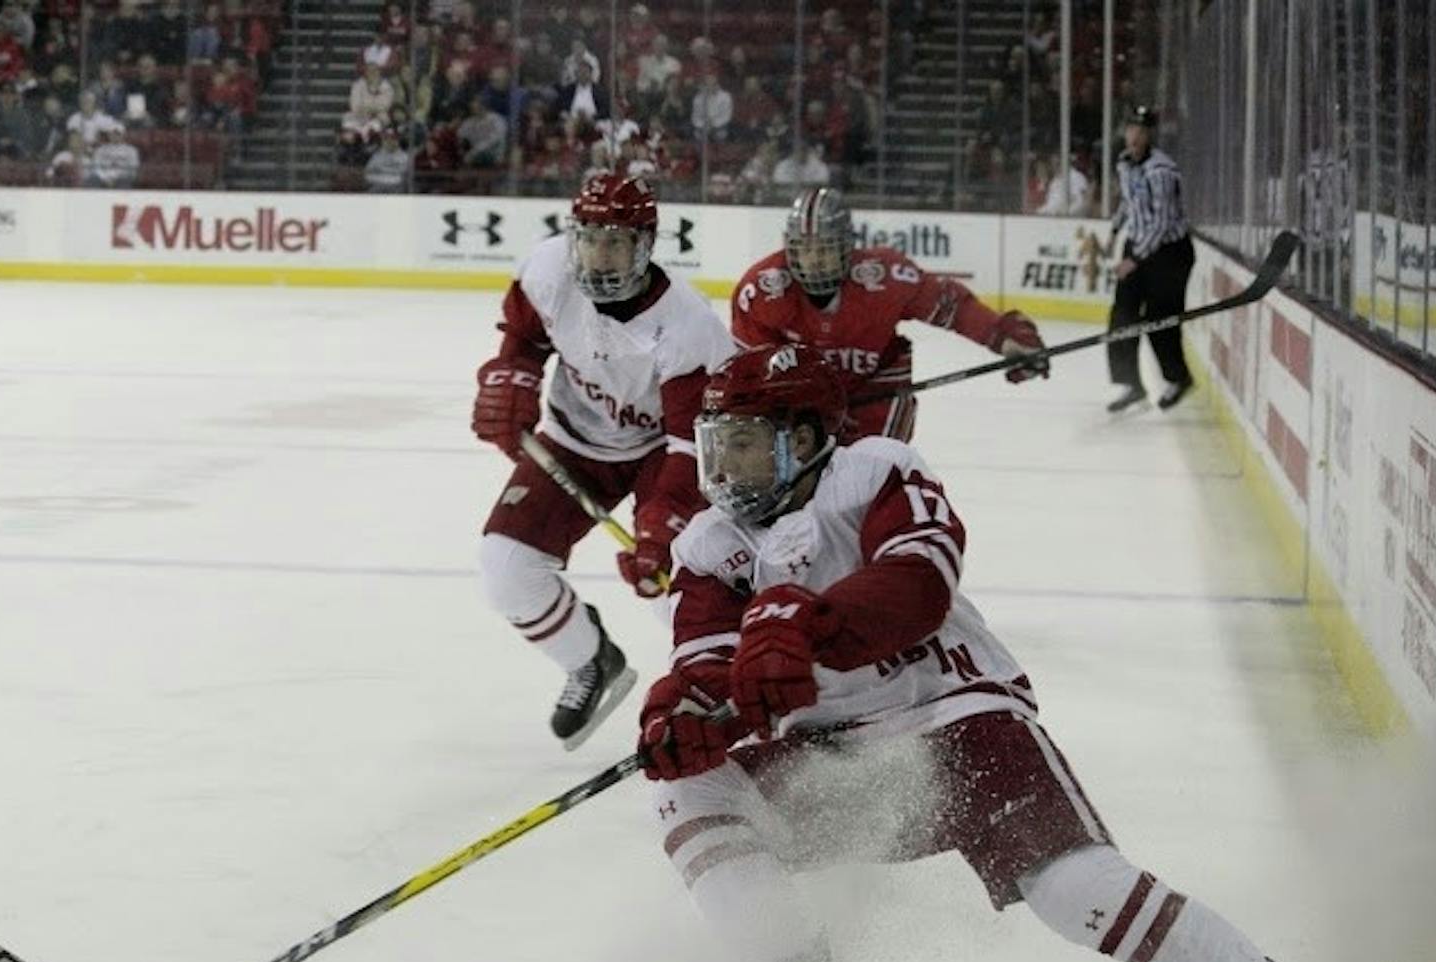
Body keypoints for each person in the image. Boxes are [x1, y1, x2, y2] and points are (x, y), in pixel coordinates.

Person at [635, 344, 1338, 962]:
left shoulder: (875, 471)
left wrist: (803, 627)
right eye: (716, 445)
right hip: (840, 758)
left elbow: (918, 587)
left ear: (800, 440)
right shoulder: (710, 545)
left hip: (957, 719)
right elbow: (707, 660)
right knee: (692, 787)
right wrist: (686, 710)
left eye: (741, 443)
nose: (723, 469)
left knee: (1076, 890)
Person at [470, 173, 733, 748]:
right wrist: (513, 380)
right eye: (588, 239)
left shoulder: (689, 327)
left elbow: (694, 444)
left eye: (615, 242)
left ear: (645, 246)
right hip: (572, 440)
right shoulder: (546, 272)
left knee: (679, 593)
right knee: (506, 567)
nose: (598, 255)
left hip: (659, 455)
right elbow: (524, 339)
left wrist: (662, 521)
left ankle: (725, 704)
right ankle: (591, 662)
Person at [731, 186, 1048, 443]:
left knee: (870, 481)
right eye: (804, 248)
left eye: (825, 248)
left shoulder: (885, 278)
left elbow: (951, 307)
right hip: (801, 405)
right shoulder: (761, 291)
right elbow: (752, 373)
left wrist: (1003, 337)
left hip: (875, 394)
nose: (813, 260)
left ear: (847, 247)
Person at [1106, 105, 1195, 412]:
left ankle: (1177, 376)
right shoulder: (1124, 163)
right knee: (1122, 315)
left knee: (1161, 319)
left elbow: (1162, 222)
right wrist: (1115, 230)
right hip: (1139, 245)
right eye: (1131, 129)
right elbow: (1129, 202)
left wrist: (1135, 259)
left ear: (1149, 136)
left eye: (1142, 131)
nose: (1135, 136)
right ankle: (1131, 383)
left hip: (1169, 252)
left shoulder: (1162, 171)